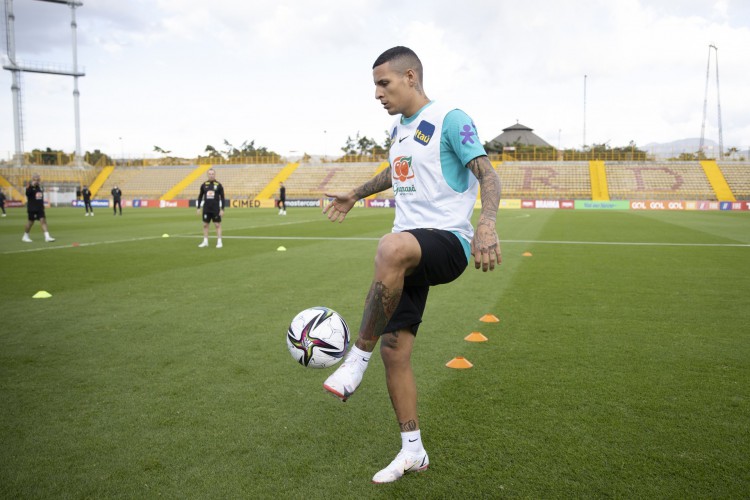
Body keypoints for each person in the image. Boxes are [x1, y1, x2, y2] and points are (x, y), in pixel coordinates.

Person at [321, 46, 501, 484]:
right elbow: (394, 172)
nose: (378, 94)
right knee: (395, 352)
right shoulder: (401, 131)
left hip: (447, 244)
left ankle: (354, 359)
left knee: (389, 247)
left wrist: (487, 223)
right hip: (410, 251)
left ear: (411, 77)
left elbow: (488, 174)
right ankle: (413, 451)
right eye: (375, 86)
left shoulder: (450, 118)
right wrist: (355, 194)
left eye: (384, 84)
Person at [196, 168, 225, 248]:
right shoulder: (204, 185)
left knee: (217, 224)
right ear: (207, 175)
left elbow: (222, 198)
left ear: (214, 175)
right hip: (206, 208)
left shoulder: (218, 185)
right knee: (205, 225)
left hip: (215, 208)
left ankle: (219, 241)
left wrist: (222, 209)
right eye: (210, 174)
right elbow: (200, 196)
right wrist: (198, 208)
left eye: (212, 174)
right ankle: (205, 241)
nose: (211, 175)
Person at [22, 173, 55, 242]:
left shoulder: (40, 187)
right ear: (33, 179)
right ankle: (25, 236)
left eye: (38, 179)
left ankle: (47, 237)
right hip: (32, 208)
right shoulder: (29, 187)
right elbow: (27, 194)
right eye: (35, 179)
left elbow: (40, 197)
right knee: (30, 222)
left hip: (40, 208)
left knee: (43, 221)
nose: (37, 181)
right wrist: (32, 185)